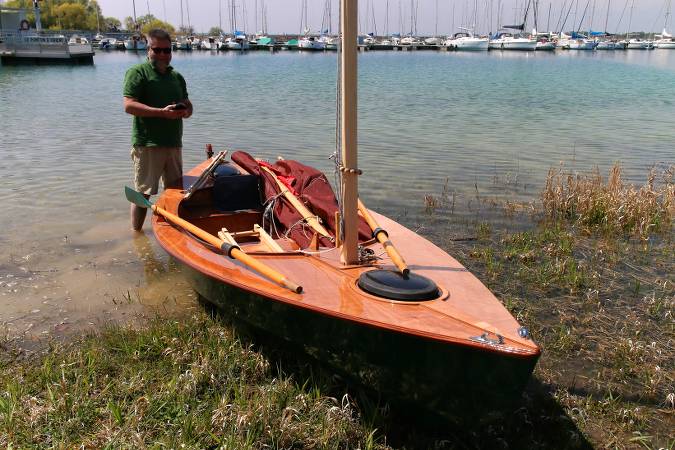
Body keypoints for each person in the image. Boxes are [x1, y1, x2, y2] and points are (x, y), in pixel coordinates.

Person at [123, 28, 193, 231]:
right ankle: (137, 235)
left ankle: (171, 233)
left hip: (173, 143)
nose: (163, 55)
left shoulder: (176, 77)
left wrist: (185, 111)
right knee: (142, 194)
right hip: (147, 144)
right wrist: (162, 112)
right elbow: (128, 105)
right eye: (158, 50)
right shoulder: (138, 73)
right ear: (148, 49)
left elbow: (188, 105)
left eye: (167, 50)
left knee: (174, 192)